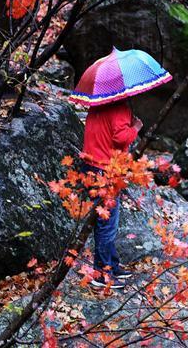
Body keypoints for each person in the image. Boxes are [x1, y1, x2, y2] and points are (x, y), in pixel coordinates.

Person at [81, 99, 142, 289]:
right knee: (107, 224)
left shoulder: (98, 104)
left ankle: (112, 265)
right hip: (106, 170)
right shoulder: (120, 108)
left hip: (90, 166)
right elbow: (121, 138)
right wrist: (136, 127)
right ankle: (102, 274)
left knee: (105, 221)